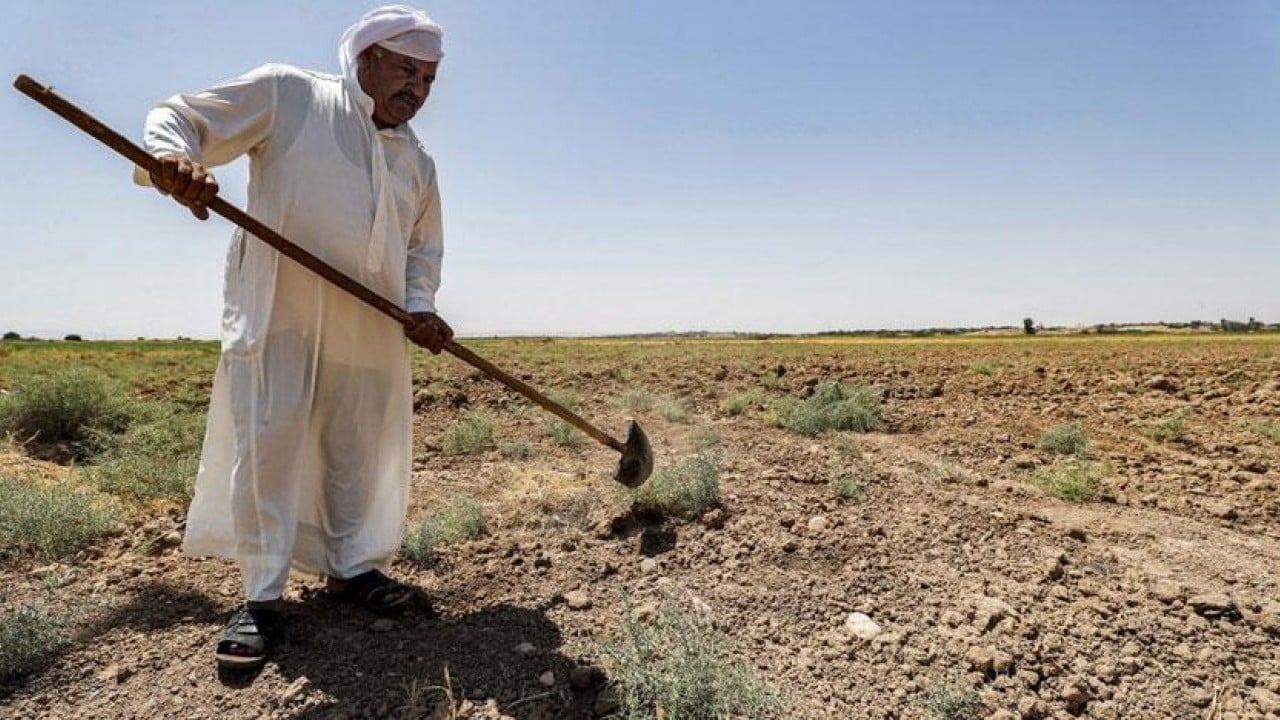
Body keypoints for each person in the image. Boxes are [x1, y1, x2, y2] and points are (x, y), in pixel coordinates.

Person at [138, 5, 454, 670]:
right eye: (406, 70)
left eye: (429, 78)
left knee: (357, 446)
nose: (418, 89)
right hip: (279, 308)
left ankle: (354, 569)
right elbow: (180, 116)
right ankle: (260, 599)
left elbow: (421, 251)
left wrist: (421, 305)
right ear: (365, 59)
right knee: (269, 444)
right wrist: (175, 158)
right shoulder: (291, 94)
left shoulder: (417, 162)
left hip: (371, 324)